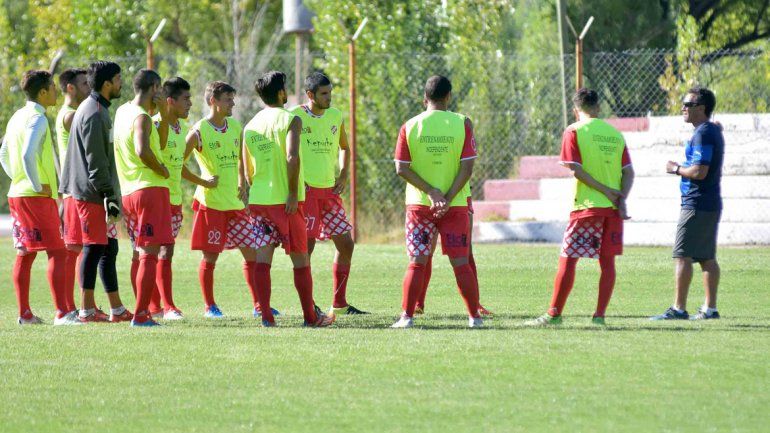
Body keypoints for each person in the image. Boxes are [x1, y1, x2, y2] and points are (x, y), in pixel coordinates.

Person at [524, 88, 634, 326]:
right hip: (612, 210)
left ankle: (554, 314)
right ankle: (599, 317)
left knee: (568, 258)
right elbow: (628, 172)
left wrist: (604, 191)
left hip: (586, 207)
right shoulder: (615, 134)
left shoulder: (573, 131)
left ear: (575, 110)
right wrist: (621, 198)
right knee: (607, 263)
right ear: (598, 107)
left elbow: (576, 170)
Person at [242, 70, 334, 327]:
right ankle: (310, 317)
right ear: (281, 93)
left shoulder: (251, 126)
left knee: (262, 259)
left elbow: (247, 172)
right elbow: (292, 157)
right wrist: (292, 193)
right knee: (301, 259)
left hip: (260, 200)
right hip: (287, 202)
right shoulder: (291, 119)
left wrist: (260, 188)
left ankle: (267, 318)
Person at [391, 75, 482, 329]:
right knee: (461, 262)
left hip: (420, 205)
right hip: (455, 206)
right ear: (449, 97)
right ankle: (474, 318)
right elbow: (467, 168)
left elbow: (401, 168)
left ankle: (406, 318)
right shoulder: (462, 123)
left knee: (417, 261)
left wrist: (432, 193)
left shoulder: (410, 125)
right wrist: (447, 197)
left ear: (424, 98)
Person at [0, 70, 77, 325]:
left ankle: (24, 314)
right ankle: (63, 313)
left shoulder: (16, 117)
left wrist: (18, 178)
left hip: (17, 194)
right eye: (53, 87)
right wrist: (37, 185)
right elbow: (26, 155)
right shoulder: (38, 118)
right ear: (43, 92)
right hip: (35, 196)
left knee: (25, 253)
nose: (56, 90)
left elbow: (3, 154)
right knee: (57, 251)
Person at [59, 60, 133, 323]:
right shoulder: (93, 112)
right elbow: (95, 160)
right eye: (118, 78)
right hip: (90, 192)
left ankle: (116, 309)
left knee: (108, 247)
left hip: (95, 191)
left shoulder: (98, 108)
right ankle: (87, 310)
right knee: (94, 247)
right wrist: (108, 195)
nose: (121, 82)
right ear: (107, 83)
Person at [290, 72, 367, 317]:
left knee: (346, 244)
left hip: (330, 192)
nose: (329, 98)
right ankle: (309, 305)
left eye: (330, 92)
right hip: (307, 192)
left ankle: (340, 304)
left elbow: (344, 146)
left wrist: (343, 173)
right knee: (306, 250)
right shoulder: (295, 116)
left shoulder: (335, 115)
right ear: (310, 95)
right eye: (324, 94)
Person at [184, 81, 257, 318]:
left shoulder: (235, 127)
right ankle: (210, 307)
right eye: (228, 99)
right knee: (211, 256)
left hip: (235, 204)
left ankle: (259, 305)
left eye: (233, 99)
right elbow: (177, 164)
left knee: (252, 254)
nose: (233, 104)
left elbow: (239, 159)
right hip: (211, 204)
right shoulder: (198, 131)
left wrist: (241, 183)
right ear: (213, 101)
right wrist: (203, 182)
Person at [651, 87, 724, 321]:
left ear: (701, 108)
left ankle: (678, 309)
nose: (682, 107)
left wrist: (676, 169)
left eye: (688, 104)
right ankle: (710, 309)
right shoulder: (710, 130)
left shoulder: (703, 132)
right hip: (709, 202)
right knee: (706, 257)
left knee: (683, 256)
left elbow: (700, 171)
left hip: (696, 202)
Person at [113, 69, 173, 327]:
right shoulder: (141, 118)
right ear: (154, 87)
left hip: (129, 192)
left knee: (140, 252)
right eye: (159, 89)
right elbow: (143, 150)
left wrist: (164, 116)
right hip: (149, 189)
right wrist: (162, 170)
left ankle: (143, 311)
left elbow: (158, 142)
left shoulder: (122, 111)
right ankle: (141, 314)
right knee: (150, 253)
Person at [143, 77, 193, 321]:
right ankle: (165, 306)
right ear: (170, 101)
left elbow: (179, 165)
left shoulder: (184, 129)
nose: (190, 104)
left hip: (174, 199)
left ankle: (158, 306)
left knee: (167, 252)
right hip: (156, 197)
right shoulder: (153, 124)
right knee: (158, 252)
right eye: (186, 99)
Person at [413, 191, 492, 317]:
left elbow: (467, 171)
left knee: (465, 249)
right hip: (427, 199)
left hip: (459, 197)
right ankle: (417, 304)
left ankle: (475, 305)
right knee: (425, 252)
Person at [55, 67, 90, 317]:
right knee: (73, 250)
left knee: (82, 249)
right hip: (74, 191)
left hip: (80, 190)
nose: (89, 88)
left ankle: (81, 305)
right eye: (84, 84)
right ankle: (66, 308)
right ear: (70, 88)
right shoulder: (71, 116)